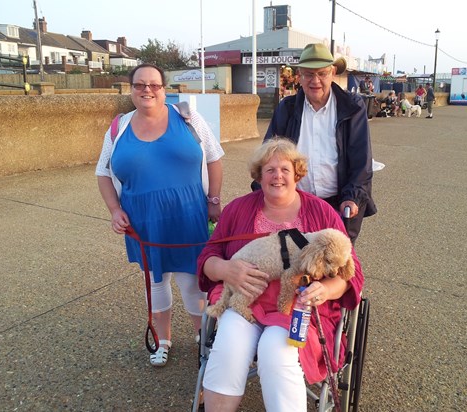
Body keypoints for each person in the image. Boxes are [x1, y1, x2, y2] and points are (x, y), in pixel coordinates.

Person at [197, 138, 364, 412]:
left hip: (297, 307)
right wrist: (227, 269)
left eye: (285, 169)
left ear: (297, 173)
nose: (278, 176)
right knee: (228, 346)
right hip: (245, 300)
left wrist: (325, 290)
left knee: (276, 352)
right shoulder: (238, 209)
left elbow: (351, 272)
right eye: (269, 170)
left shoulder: (322, 212)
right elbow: (207, 257)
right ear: (259, 176)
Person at [95, 63, 225, 367]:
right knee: (155, 281)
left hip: (189, 214)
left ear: (164, 89)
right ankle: (163, 339)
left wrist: (214, 200)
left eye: (154, 84)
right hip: (143, 220)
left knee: (192, 279)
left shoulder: (188, 118)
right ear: (131, 90)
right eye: (140, 85)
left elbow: (214, 157)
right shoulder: (118, 128)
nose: (147, 90)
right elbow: (103, 172)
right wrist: (114, 211)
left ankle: (202, 337)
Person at [262, 43, 376, 243]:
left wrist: (353, 196)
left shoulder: (352, 106)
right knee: (298, 262)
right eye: (308, 74)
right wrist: (262, 193)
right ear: (299, 75)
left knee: (335, 266)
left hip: (339, 203)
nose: (315, 81)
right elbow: (267, 156)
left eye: (322, 74)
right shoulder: (286, 108)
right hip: (297, 203)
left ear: (332, 72)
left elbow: (361, 161)